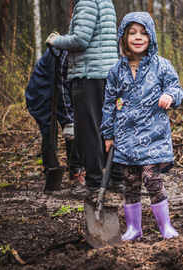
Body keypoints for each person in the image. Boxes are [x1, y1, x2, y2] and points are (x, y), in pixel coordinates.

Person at [100, 12, 183, 240]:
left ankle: (165, 226)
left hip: (153, 134)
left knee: (151, 177)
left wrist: (169, 95)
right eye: (132, 33)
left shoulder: (162, 66)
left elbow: (177, 89)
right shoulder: (116, 70)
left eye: (144, 33)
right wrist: (108, 134)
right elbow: (108, 103)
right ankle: (134, 229)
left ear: (152, 37)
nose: (138, 37)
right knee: (131, 182)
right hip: (125, 136)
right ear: (124, 37)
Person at [45, 0, 125, 195]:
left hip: (88, 76)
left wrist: (56, 40)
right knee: (108, 127)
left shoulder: (87, 3)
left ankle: (94, 184)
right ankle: (117, 179)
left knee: (88, 132)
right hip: (105, 74)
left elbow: (80, 40)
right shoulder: (105, 2)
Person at [25, 48, 84, 182]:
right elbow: (59, 87)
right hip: (41, 94)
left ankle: (75, 169)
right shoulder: (60, 54)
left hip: (61, 90)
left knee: (73, 125)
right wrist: (68, 119)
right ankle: (50, 168)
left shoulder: (80, 53)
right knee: (50, 128)